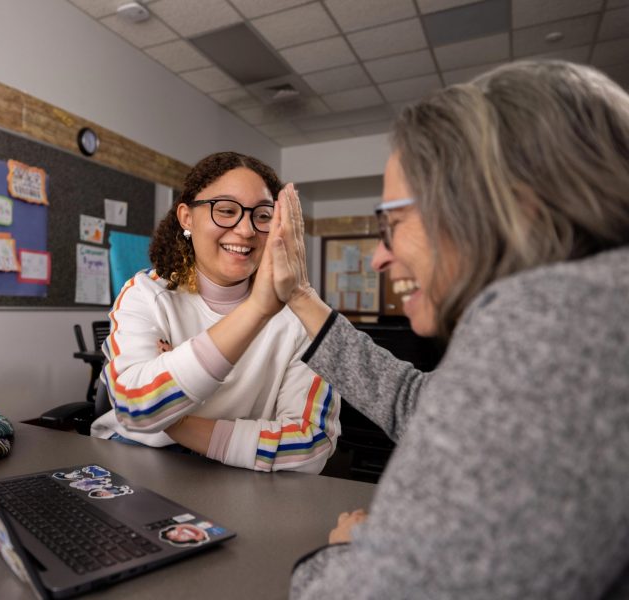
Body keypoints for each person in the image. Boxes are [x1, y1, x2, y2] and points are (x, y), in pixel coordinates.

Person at [259, 60, 629, 598]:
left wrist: (345, 552)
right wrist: (298, 295)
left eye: (393, 224)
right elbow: (419, 402)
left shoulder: (549, 324)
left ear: (504, 207)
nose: (380, 256)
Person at [90, 151, 340, 474]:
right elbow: (133, 407)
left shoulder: (301, 315)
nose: (246, 229)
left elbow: (312, 443)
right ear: (186, 218)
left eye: (262, 215)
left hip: (235, 471)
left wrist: (177, 420)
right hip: (135, 459)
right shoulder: (146, 295)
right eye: (225, 210)